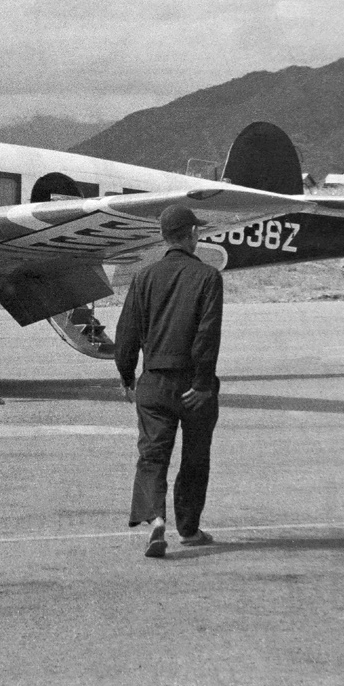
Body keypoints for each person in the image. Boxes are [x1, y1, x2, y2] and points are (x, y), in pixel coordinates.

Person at [115, 204, 223, 558]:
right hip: (194, 386)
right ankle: (189, 530)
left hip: (155, 383)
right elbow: (207, 336)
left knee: (152, 455)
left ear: (164, 236)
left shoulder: (143, 278)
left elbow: (127, 331)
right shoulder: (208, 278)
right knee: (195, 457)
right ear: (192, 234)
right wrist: (204, 383)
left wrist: (127, 374)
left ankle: (156, 520)